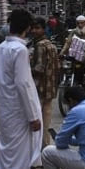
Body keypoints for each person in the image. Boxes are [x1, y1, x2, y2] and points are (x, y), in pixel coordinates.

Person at [0, 9, 43, 169]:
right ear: (28, 28)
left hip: (6, 109)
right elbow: (23, 84)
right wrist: (33, 116)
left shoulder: (0, 49)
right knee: (19, 162)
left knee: (8, 157)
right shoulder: (20, 50)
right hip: (19, 111)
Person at [30, 17, 60, 148]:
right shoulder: (51, 44)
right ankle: (45, 145)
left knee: (37, 119)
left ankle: (39, 147)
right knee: (46, 119)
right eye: (33, 28)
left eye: (37, 28)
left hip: (40, 88)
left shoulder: (40, 45)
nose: (34, 31)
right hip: (50, 88)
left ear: (43, 29)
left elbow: (39, 68)